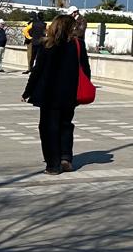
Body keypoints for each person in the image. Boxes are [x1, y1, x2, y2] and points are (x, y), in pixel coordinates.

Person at [22, 13, 92, 174]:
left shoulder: (47, 45)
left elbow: (36, 72)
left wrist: (27, 92)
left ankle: (53, 165)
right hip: (70, 94)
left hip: (48, 94)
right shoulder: (78, 45)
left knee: (48, 128)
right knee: (65, 125)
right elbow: (86, 71)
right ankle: (65, 157)